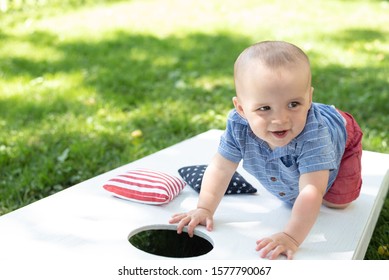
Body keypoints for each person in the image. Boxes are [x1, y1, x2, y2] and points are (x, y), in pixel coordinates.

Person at [169, 41, 363, 260]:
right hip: (296, 147)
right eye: (264, 108)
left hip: (343, 135)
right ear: (241, 109)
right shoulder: (239, 126)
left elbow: (311, 191)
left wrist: (291, 236)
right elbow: (221, 167)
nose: (280, 119)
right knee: (292, 196)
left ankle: (326, 166)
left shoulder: (314, 134)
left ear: (309, 98)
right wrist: (204, 208)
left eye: (293, 104)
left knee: (338, 203)